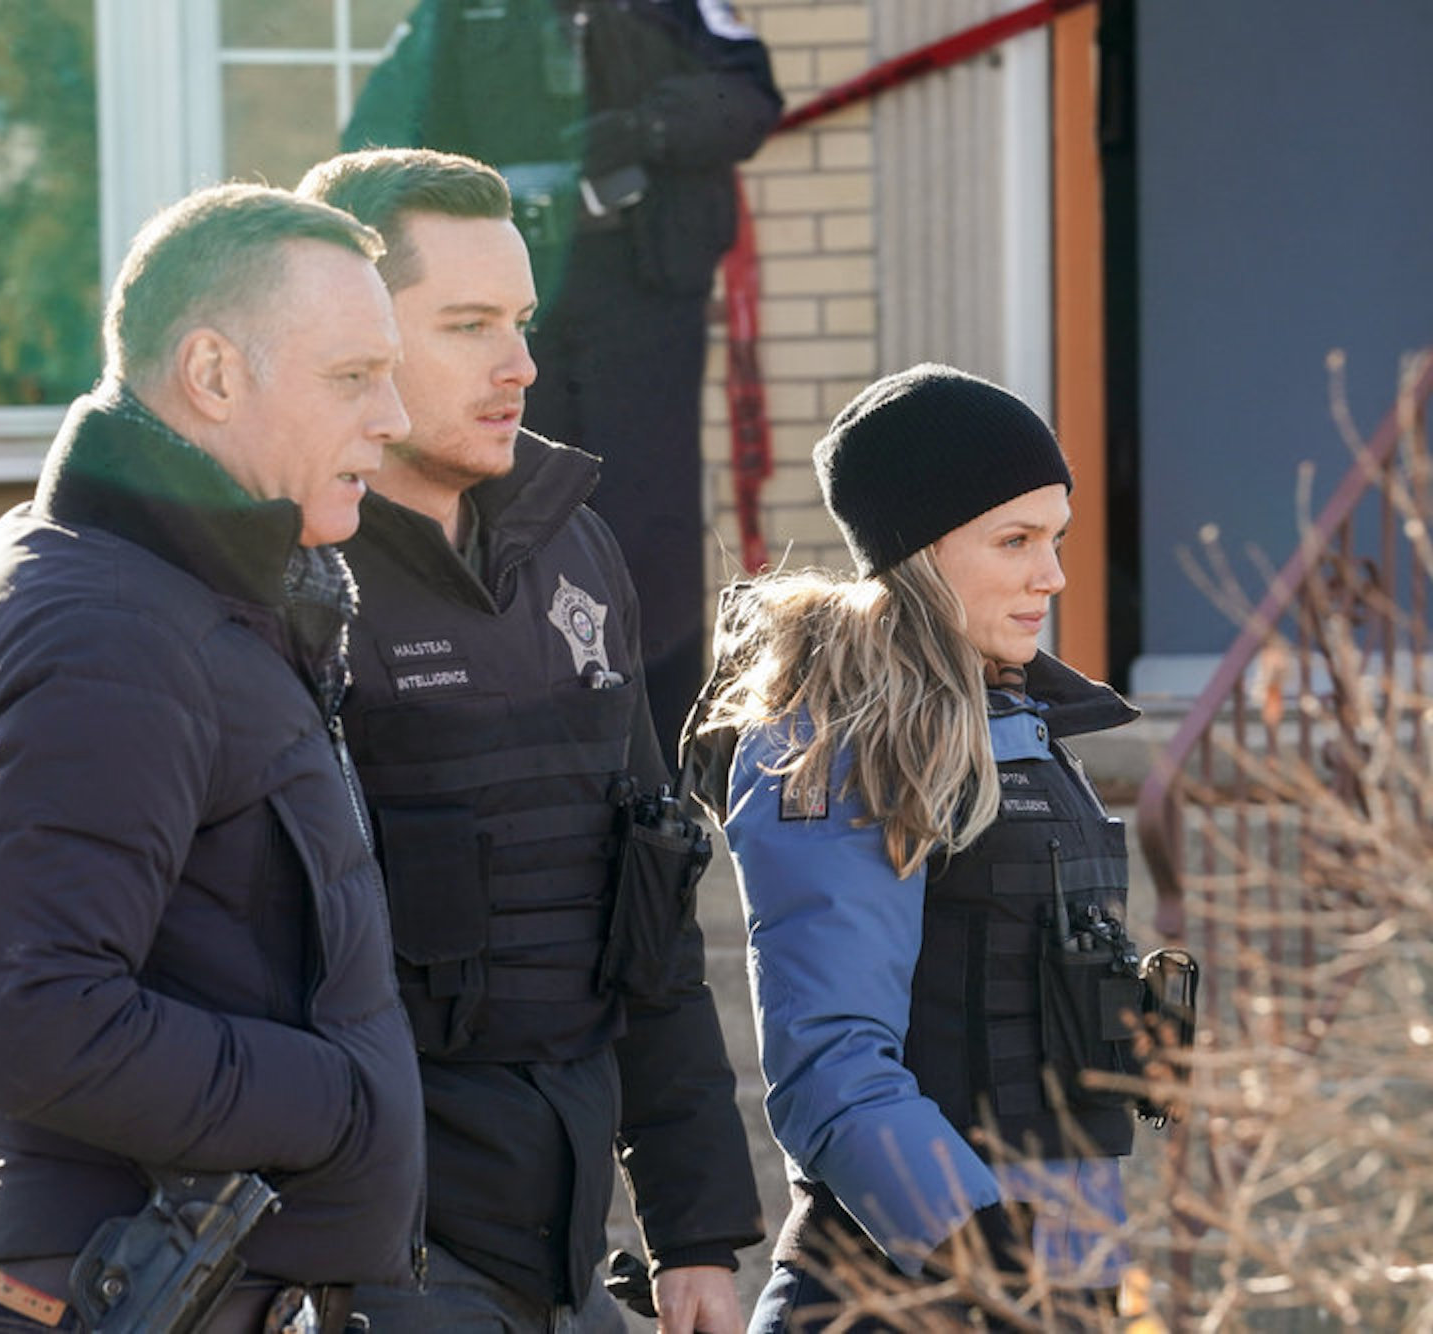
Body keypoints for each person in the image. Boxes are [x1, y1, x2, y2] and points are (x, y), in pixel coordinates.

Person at [0, 183, 424, 1332]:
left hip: (194, 1282)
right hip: (136, 1288)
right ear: (211, 373)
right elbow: (40, 1018)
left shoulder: (178, 592)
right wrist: (346, 1102)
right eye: (353, 375)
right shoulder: (111, 625)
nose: (392, 417)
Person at [296, 147, 763, 1334]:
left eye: (521, 321)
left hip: (566, 1260)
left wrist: (694, 1231)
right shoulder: (289, 583)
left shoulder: (576, 551)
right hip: (375, 1257)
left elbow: (652, 903)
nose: (520, 365)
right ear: (352, 339)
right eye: (468, 325)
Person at [684, 365, 1163, 1330]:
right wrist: (987, 1261)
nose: (1052, 576)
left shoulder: (1022, 728)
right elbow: (830, 1069)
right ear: (918, 553)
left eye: (1057, 539)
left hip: (1059, 1280)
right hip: (913, 1293)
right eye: (1015, 540)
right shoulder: (835, 742)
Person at [343, 0, 783, 768]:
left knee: (648, 524)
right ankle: (514, 733)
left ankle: (664, 765)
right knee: (510, 504)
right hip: (511, 292)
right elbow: (380, 125)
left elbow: (747, 98)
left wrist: (646, 129)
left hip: (638, 294)